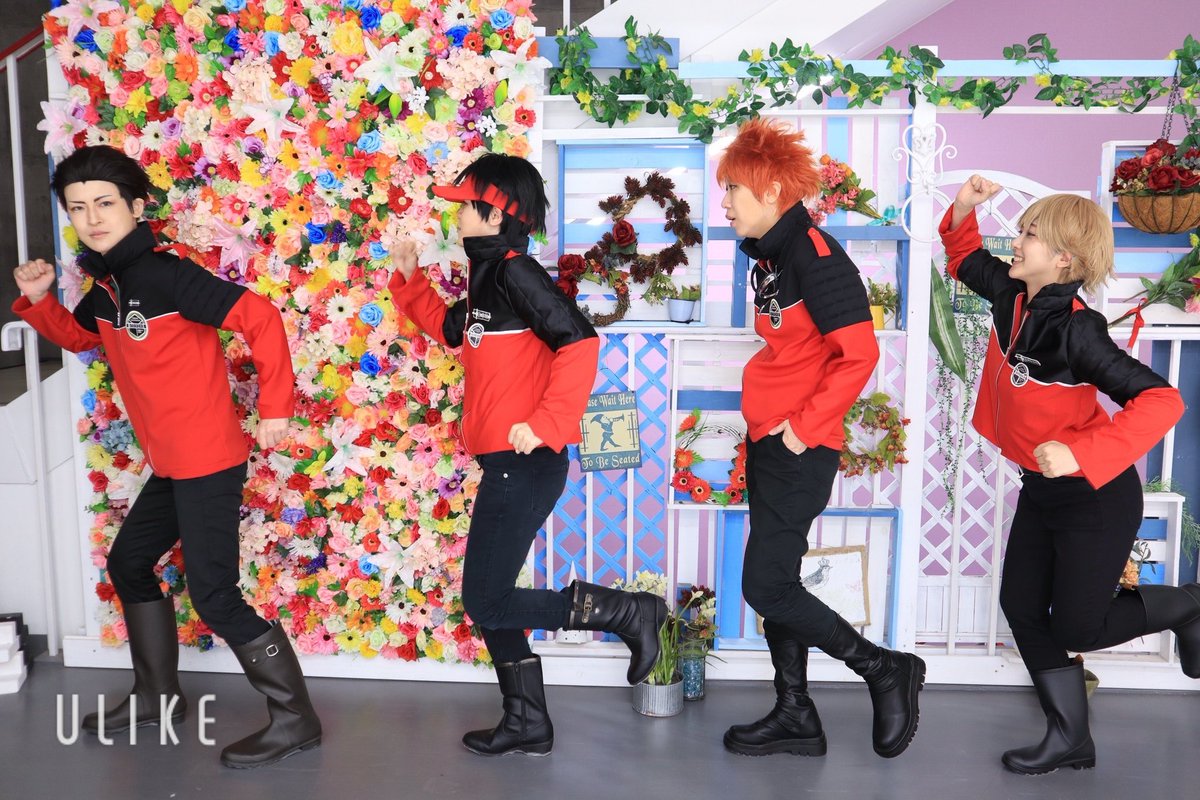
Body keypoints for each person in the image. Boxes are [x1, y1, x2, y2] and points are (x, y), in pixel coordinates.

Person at [11, 145, 320, 768]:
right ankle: (157, 696)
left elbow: (259, 316)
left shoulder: (166, 276)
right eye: (77, 208)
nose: (92, 218)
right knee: (129, 563)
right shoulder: (109, 287)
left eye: (104, 203)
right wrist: (42, 300)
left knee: (215, 595)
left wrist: (277, 408)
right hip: (173, 463)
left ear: (137, 206)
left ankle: (296, 719)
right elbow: (83, 337)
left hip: (207, 457)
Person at [388, 153, 667, 756]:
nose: (456, 215)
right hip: (507, 464)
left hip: (527, 465)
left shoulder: (517, 273)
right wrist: (410, 281)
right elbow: (456, 332)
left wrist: (546, 423)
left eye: (465, 206)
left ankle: (627, 613)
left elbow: (580, 342)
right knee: (492, 600)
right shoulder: (488, 276)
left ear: (495, 214)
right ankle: (526, 721)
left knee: (485, 598)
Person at [942, 175, 1193, 775]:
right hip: (1043, 488)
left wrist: (1082, 454)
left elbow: (1163, 401)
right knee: (1022, 605)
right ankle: (1070, 737)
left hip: (1095, 495)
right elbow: (962, 258)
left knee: (1079, 625)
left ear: (1064, 259)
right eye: (1021, 230)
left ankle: (1188, 606)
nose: (1016, 242)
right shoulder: (1012, 295)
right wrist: (962, 208)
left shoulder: (1078, 328)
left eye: (1029, 235)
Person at [716, 119, 925, 760]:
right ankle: (795, 713)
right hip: (771, 439)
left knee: (765, 585)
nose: (725, 203)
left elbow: (859, 355)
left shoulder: (817, 257)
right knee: (778, 578)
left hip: (798, 446)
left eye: (733, 190)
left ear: (770, 191)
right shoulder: (775, 256)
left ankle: (884, 669)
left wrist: (802, 430)